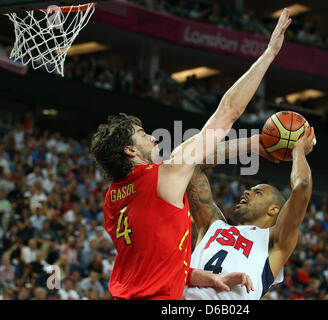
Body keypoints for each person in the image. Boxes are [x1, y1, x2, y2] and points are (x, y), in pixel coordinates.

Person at [90, 8, 292, 300]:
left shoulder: (113, 198)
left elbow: (152, 260)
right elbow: (228, 112)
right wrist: (270, 53)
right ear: (131, 150)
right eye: (142, 134)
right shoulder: (163, 177)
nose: (152, 136)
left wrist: (205, 277)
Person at [182, 122, 316, 299]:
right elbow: (192, 166)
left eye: (257, 192)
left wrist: (298, 150)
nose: (246, 192)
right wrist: (250, 144)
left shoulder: (274, 241)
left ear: (273, 209)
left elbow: (302, 187)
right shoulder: (212, 225)